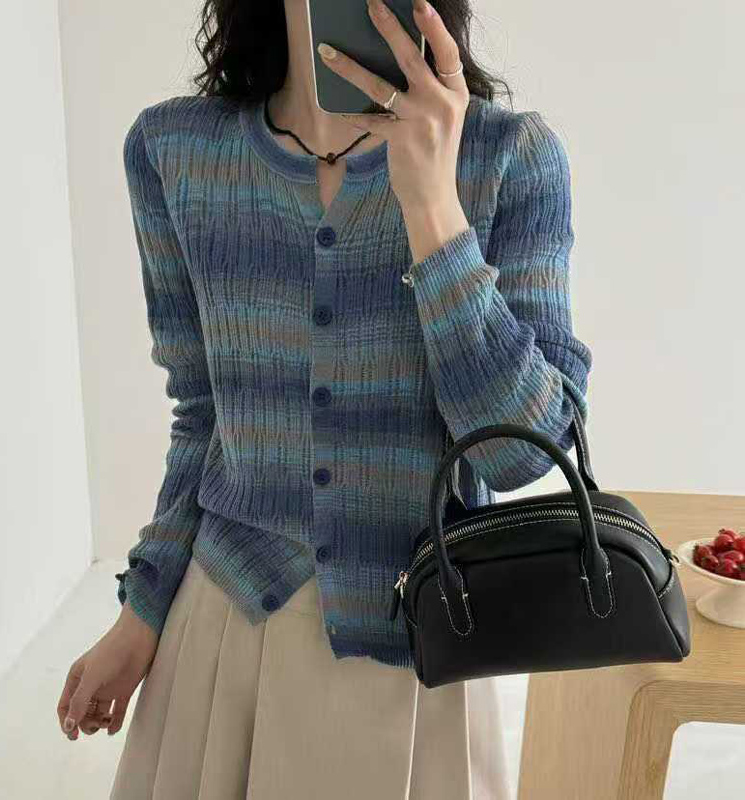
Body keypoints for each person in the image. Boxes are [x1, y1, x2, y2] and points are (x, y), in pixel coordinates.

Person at [56, 1, 593, 798]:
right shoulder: (175, 152)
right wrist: (142, 612)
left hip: (419, 656)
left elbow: (518, 454)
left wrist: (433, 208)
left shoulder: (508, 158)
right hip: (223, 642)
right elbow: (202, 418)